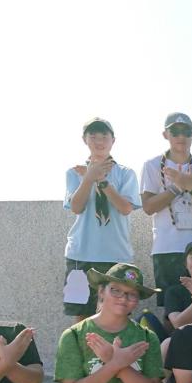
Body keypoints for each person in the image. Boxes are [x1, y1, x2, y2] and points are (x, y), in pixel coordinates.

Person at [63, 117, 142, 321]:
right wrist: (89, 177)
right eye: (93, 135)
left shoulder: (125, 173)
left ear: (113, 140)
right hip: (81, 254)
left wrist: (102, 181)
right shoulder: (74, 173)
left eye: (104, 135)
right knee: (81, 314)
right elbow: (76, 207)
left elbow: (125, 208)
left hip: (117, 255)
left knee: (118, 314)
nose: (99, 140)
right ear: (84, 139)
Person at [140, 113, 192, 308]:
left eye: (186, 131)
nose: (181, 136)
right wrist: (177, 186)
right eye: (175, 131)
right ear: (165, 134)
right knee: (170, 310)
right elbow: (149, 207)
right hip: (166, 248)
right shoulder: (151, 165)